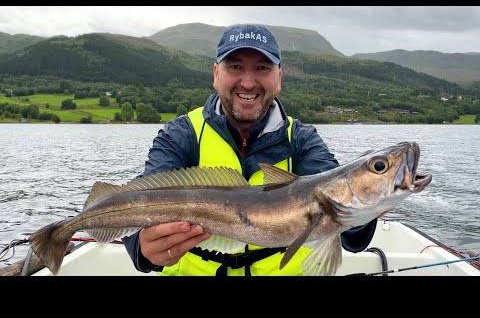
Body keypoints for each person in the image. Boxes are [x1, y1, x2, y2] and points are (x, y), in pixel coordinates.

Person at [122, 23, 377, 276]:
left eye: (262, 68)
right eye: (235, 67)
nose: (247, 82)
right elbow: (135, 204)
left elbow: (351, 237)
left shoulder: (301, 139)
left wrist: (372, 202)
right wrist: (141, 250)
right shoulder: (181, 134)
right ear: (215, 74)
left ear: (278, 78)